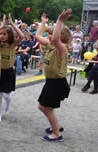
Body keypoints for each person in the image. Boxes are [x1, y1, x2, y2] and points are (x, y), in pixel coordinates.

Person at [35, 10, 73, 142]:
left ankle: (57, 134)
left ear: (62, 37)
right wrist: (43, 23)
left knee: (47, 108)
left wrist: (60, 20)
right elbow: (38, 36)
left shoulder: (61, 48)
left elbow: (56, 39)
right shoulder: (50, 46)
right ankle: (57, 126)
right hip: (51, 82)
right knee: (42, 106)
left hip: (57, 83)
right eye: (49, 34)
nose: (49, 36)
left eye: (52, 34)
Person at [0, 14, 24, 122]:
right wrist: (0, 25)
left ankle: (8, 103)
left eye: (4, 34)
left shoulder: (12, 44)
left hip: (9, 72)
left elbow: (21, 36)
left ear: (9, 35)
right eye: (0, 34)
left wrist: (12, 24)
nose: (2, 36)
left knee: (5, 95)